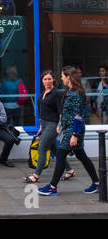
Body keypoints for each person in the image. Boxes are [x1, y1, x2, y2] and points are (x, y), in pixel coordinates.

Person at [38, 66, 100, 196]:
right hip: (70, 129)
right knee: (81, 155)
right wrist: (61, 124)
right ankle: (97, 183)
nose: (61, 78)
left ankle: (52, 187)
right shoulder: (70, 91)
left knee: (60, 155)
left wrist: (74, 135)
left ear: (68, 77)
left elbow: (77, 116)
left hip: (73, 130)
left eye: (62, 76)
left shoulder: (75, 94)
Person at [22, 70, 74, 183]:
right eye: (45, 79)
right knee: (55, 150)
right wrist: (41, 126)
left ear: (53, 80)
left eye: (49, 79)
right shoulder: (43, 93)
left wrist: (59, 125)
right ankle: (70, 170)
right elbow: (43, 112)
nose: (47, 81)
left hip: (52, 125)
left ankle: (36, 175)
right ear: (42, 81)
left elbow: (61, 111)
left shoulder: (57, 94)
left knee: (42, 148)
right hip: (44, 125)